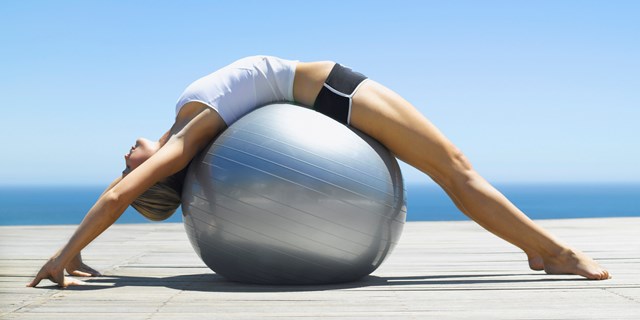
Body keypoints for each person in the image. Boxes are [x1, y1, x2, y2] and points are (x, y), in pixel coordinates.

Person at [27, 56, 610, 287]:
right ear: (154, 173)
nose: (121, 159)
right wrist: (63, 255)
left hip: (321, 103)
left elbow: (120, 193)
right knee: (456, 169)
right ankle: (549, 251)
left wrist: (73, 253)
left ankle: (542, 248)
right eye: (128, 167)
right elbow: (121, 194)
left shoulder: (183, 132)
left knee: (456, 170)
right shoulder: (183, 140)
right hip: (331, 92)